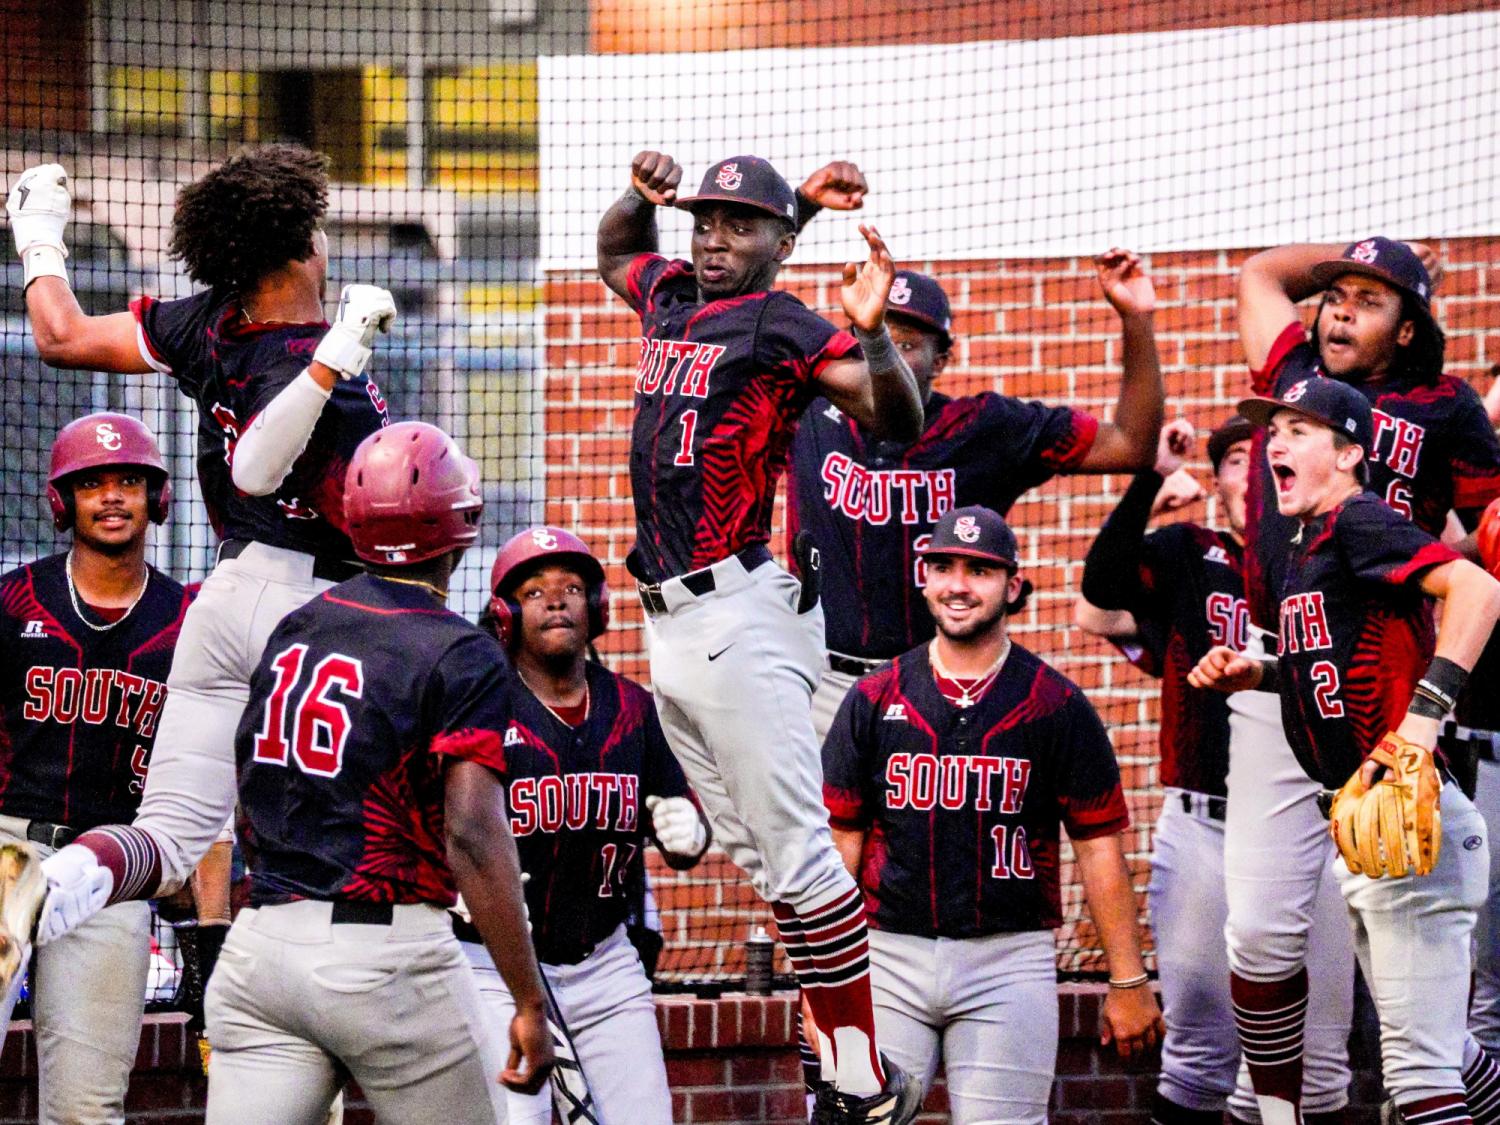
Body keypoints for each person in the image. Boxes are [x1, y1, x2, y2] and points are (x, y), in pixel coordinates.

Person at [596, 149, 925, 1123]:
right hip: (673, 626)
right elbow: (618, 247)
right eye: (705, 220)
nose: (712, 238)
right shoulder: (667, 297)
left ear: (780, 242)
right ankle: (836, 1054)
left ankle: (862, 1079)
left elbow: (895, 419)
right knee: (762, 858)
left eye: (739, 224)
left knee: (804, 862)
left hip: (738, 615)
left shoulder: (784, 321)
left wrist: (871, 339)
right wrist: (640, 197)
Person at [5, 147, 400, 938]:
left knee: (170, 835)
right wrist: (334, 362)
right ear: (294, 251)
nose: (326, 244)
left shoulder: (210, 319)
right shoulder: (308, 352)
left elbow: (60, 334)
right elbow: (256, 468)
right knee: (356, 825)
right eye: (317, 230)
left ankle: (47, 892)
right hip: (312, 618)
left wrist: (37, 232)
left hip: (222, 606)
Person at [192, 422, 549, 1122]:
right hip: (388, 960)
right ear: (461, 522)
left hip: (262, 951)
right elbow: (473, 832)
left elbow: (249, 788)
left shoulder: (300, 624)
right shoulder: (460, 649)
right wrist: (528, 998)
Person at [1223, 237, 1500, 1123]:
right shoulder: (1301, 386)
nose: (1339, 309)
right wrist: (1261, 666)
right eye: (1334, 295)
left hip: (1390, 691)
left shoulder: (1425, 427)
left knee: (1418, 1073)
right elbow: (1263, 275)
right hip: (1300, 673)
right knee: (1419, 1036)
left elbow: (1480, 553)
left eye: (1370, 300)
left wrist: (1426, 697)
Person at [821, 504, 1163, 1123]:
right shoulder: (873, 697)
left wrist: (1129, 981)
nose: (958, 584)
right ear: (924, 578)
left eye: (979, 570)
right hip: (885, 956)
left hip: (1009, 960)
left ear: (1013, 586)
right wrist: (826, 983)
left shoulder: (1055, 703)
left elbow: (1097, 847)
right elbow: (839, 844)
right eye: (945, 566)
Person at [1075, 415, 1341, 1125]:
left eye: (1265, 457)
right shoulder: (1194, 552)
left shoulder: (1334, 551)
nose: (1251, 471)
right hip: (1206, 826)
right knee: (1198, 1054)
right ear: (1221, 481)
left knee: (1316, 1067)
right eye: (1234, 461)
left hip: (1317, 822)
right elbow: (1101, 587)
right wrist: (1151, 479)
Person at [788, 261, 1163, 741]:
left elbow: (1131, 445)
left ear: (941, 359)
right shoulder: (808, 410)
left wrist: (1137, 319)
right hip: (821, 685)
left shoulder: (985, 428)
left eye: (906, 344)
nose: (887, 358)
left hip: (940, 687)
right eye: (874, 338)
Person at [465, 526, 711, 1125]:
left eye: (572, 587)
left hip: (604, 962)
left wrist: (690, 834)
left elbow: (679, 820)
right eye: (533, 592)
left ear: (596, 607)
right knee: (516, 1117)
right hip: (495, 965)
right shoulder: (481, 706)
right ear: (503, 614)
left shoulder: (632, 709)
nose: (555, 600)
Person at [0, 413, 191, 1122]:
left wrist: (203, 914)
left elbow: (204, 774)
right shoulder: (13, 601)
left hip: (113, 869)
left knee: (86, 1109)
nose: (112, 496)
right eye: (92, 483)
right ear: (63, 501)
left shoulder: (186, 619)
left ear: (156, 498)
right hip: (8, 849)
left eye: (129, 481)